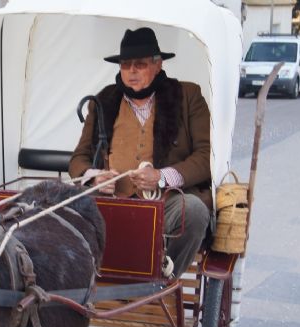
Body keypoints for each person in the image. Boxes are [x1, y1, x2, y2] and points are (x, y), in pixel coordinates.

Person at [69, 27, 211, 278]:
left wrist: (162, 176)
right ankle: (94, 278)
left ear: (158, 65)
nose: (131, 71)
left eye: (140, 64)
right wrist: (94, 177)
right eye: (125, 65)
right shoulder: (103, 101)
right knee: (63, 210)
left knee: (196, 211)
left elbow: (206, 156)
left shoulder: (188, 96)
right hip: (113, 204)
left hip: (166, 202)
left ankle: (163, 278)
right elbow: (78, 159)